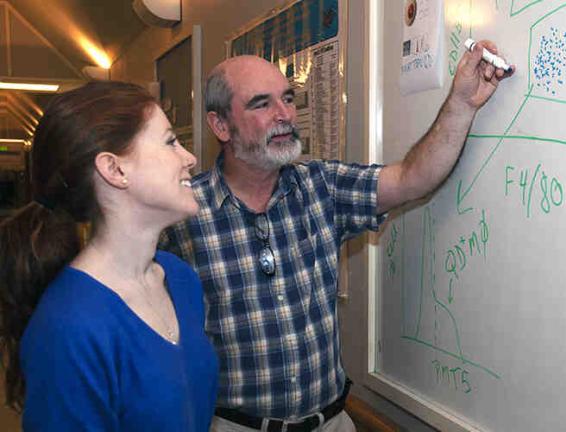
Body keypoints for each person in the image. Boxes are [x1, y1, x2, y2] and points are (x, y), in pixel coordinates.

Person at [160, 40, 513, 431]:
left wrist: (462, 102)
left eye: (288, 99)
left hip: (332, 422)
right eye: (262, 104)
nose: (285, 115)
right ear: (220, 125)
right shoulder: (180, 213)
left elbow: (414, 177)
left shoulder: (321, 187)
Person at [0, 81, 219, 431]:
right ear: (115, 170)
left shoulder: (180, 279)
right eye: (170, 142)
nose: (189, 158)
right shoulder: (68, 327)